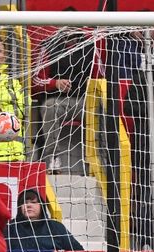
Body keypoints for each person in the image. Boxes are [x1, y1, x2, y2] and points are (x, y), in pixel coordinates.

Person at [32, 28, 98, 174]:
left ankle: (97, 162)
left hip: (84, 100)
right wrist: (55, 83)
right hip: (58, 100)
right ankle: (52, 159)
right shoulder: (48, 45)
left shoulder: (91, 46)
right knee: (50, 107)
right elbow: (35, 80)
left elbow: (101, 75)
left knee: (102, 108)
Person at [123, 30, 153, 252]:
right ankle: (145, 240)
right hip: (145, 144)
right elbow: (127, 106)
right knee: (144, 191)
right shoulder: (141, 77)